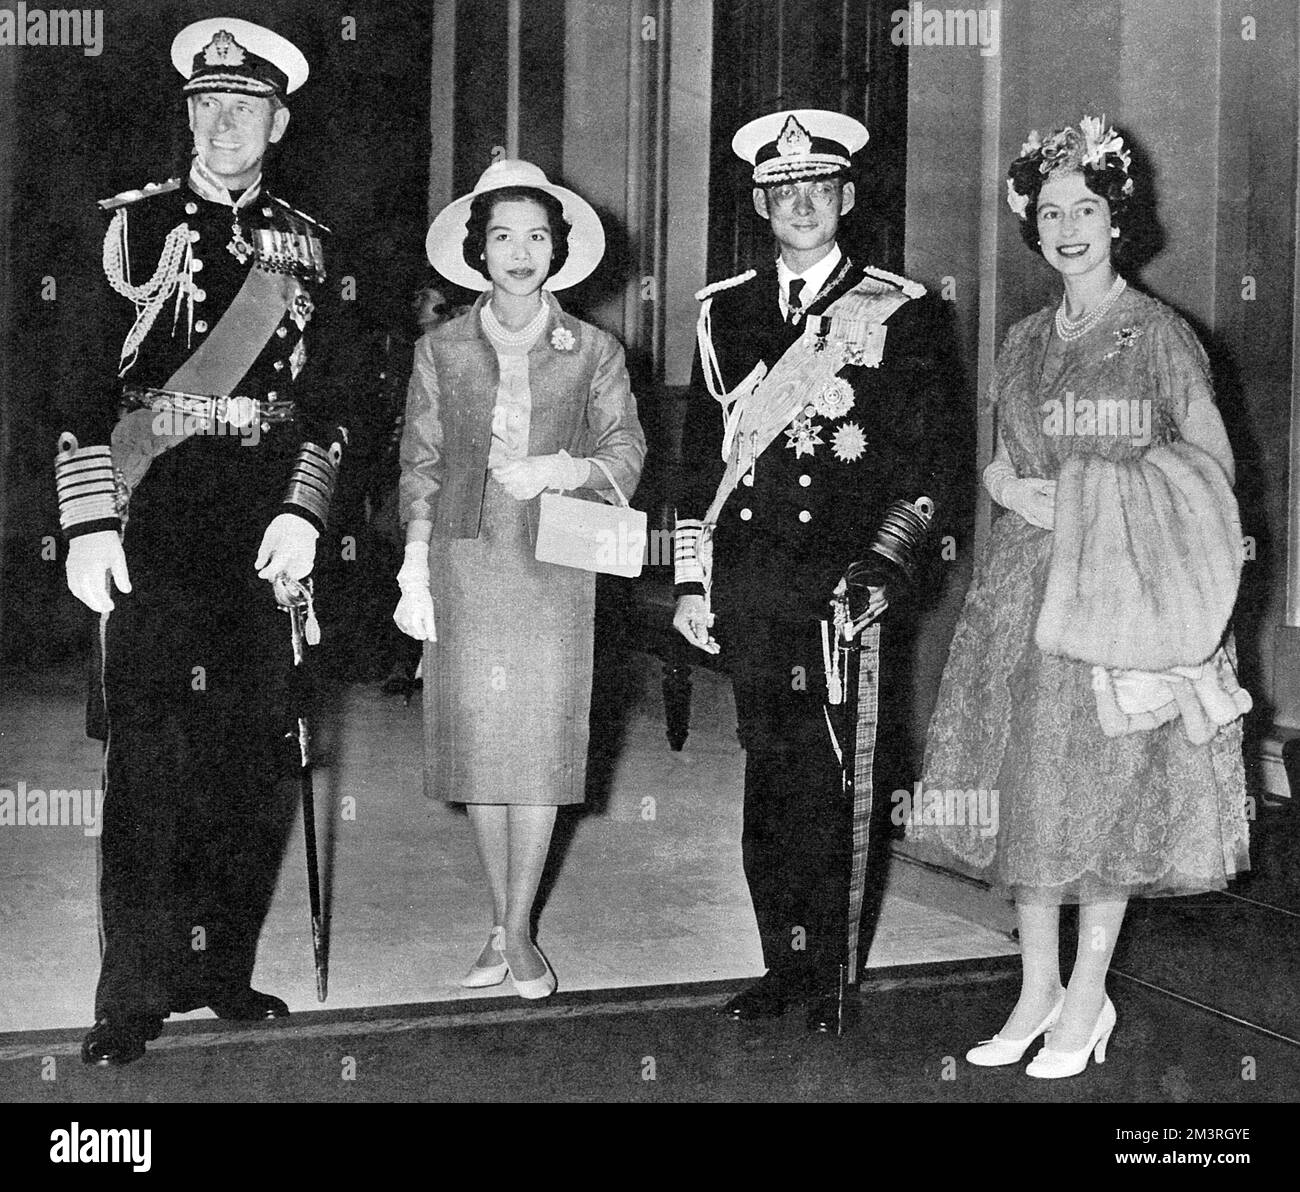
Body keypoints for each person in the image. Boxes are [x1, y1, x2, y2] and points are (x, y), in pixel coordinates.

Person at [914, 116, 1251, 1078]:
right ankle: (1035, 990)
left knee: (1102, 795)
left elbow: (1210, 478)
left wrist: (1075, 497)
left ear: (1117, 220)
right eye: (1051, 211)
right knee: (1027, 791)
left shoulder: (1161, 335)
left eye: (1087, 210)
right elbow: (1013, 459)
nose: (1068, 228)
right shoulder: (1022, 340)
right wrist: (1001, 484)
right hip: (1022, 593)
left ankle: (1088, 997)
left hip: (1116, 594)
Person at [56, 17, 350, 1065]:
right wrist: (88, 517)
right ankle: (131, 993)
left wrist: (305, 509)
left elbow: (338, 404)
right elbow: (72, 387)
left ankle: (219, 966)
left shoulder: (311, 244)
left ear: (279, 118)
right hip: (152, 524)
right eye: (205, 105)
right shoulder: (126, 231)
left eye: (245, 106)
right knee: (149, 763)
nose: (223, 122)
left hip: (264, 533)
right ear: (188, 112)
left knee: (247, 763)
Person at [673, 110, 953, 1033]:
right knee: (771, 780)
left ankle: (831, 974)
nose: (801, 203)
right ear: (761, 202)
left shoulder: (904, 312)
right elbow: (695, 464)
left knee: (839, 782)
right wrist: (689, 582)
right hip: (754, 582)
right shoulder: (725, 310)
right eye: (782, 190)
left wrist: (883, 565)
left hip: (845, 588)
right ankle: (780, 967)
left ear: (847, 197)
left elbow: (928, 460)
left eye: (818, 188)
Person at [395, 160, 645, 998]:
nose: (520, 251)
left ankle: (517, 930)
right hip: (463, 563)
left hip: (554, 565)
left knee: (537, 748)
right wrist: (411, 566)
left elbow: (628, 456)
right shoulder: (440, 349)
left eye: (537, 235)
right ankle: (508, 925)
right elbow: (420, 463)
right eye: (502, 235)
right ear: (477, 251)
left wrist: (562, 469)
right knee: (480, 747)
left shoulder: (596, 350)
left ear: (559, 250)